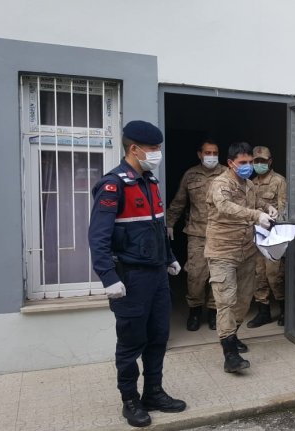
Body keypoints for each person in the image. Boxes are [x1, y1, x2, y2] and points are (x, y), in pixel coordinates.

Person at [88, 120, 186, 427]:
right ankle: (129, 400)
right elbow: (98, 238)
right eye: (154, 148)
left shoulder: (150, 182)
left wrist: (169, 258)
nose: (157, 153)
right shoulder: (113, 185)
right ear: (135, 149)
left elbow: (158, 227)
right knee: (131, 341)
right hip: (130, 278)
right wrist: (108, 278)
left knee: (158, 336)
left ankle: (153, 392)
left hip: (156, 276)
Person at [205, 142, 278, 373]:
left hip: (246, 251)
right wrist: (256, 215)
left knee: (244, 299)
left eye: (250, 162)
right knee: (225, 301)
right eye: (243, 163)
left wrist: (268, 208)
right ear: (231, 163)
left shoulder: (248, 184)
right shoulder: (220, 183)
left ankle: (233, 334)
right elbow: (225, 206)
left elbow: (256, 203)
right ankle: (229, 354)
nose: (248, 167)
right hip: (222, 251)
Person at [166, 139, 226, 331]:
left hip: (221, 234)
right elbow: (179, 201)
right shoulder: (190, 175)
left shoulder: (227, 174)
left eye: (215, 152)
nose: (212, 156)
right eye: (208, 153)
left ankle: (214, 312)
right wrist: (169, 224)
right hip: (197, 234)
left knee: (219, 275)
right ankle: (194, 311)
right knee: (196, 275)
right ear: (200, 154)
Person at [247, 146, 288, 328]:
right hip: (255, 236)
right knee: (258, 275)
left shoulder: (279, 181)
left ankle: (285, 310)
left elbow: (283, 209)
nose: (259, 164)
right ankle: (263, 312)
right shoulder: (250, 183)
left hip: (272, 237)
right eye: (256, 161)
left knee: (275, 275)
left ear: (270, 161)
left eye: (263, 161)